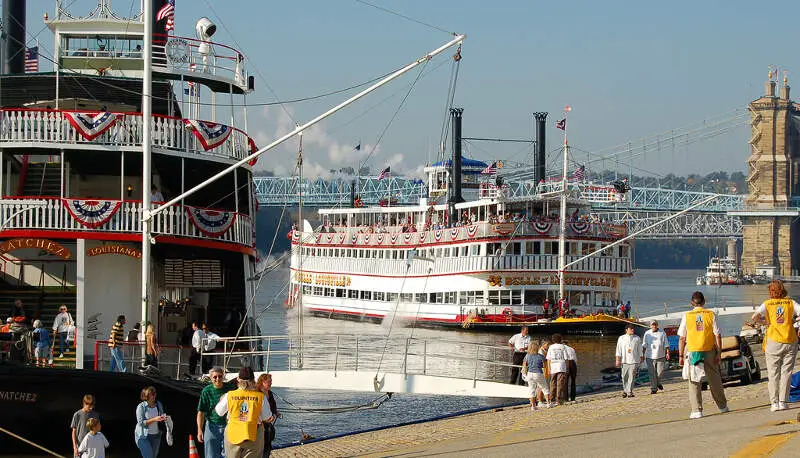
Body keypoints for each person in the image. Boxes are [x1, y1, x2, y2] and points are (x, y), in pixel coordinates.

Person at [750, 280, 800, 411]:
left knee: (773, 373)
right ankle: (783, 401)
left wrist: (765, 323)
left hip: (773, 340)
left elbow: (754, 317)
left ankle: (774, 403)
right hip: (789, 339)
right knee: (786, 372)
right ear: (783, 290)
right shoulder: (791, 303)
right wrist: (793, 320)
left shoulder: (767, 304)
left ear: (770, 291)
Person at [678, 291, 729, 419]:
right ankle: (722, 406)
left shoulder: (687, 315)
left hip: (693, 350)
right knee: (715, 379)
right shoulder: (711, 314)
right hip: (709, 350)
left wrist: (680, 355)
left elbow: (682, 338)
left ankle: (697, 410)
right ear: (704, 302)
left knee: (694, 380)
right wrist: (719, 352)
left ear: (691, 303)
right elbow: (717, 335)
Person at [215, 367, 273, 457]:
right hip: (254, 435)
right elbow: (267, 417)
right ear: (253, 380)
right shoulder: (261, 397)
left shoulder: (229, 395)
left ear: (238, 379)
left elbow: (219, 412)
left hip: (233, 435)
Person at [197, 367, 236, 458]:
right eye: (215, 377)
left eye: (220, 376)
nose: (218, 379)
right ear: (211, 378)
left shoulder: (231, 389)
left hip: (228, 426)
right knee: (210, 455)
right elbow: (201, 412)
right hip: (212, 426)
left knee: (228, 455)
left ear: (223, 377)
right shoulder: (206, 391)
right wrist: (199, 430)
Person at [135, 386, 169, 458]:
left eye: (154, 393)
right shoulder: (141, 407)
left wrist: (164, 418)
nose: (153, 395)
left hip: (156, 435)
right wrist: (155, 419)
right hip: (144, 436)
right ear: (146, 395)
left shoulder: (158, 404)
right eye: (151, 394)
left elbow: (161, 415)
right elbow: (141, 423)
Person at [615, 323, 642, 398]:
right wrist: (617, 360)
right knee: (624, 377)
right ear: (626, 330)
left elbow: (640, 349)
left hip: (634, 360)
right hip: (624, 360)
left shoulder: (637, 338)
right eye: (631, 329)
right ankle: (625, 390)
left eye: (633, 328)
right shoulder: (621, 338)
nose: (633, 330)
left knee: (632, 376)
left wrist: (641, 357)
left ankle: (629, 391)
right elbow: (618, 349)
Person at [642, 320, 669, 394]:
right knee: (651, 373)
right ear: (650, 326)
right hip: (649, 356)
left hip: (661, 355)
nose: (654, 326)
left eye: (655, 325)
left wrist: (667, 353)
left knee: (660, 373)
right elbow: (644, 345)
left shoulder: (662, 332)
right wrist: (642, 355)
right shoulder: (647, 333)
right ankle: (654, 388)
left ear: (657, 325)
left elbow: (666, 344)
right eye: (652, 325)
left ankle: (658, 383)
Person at [257, 373, 281, 457]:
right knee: (260, 446)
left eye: (271, 381)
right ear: (262, 382)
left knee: (267, 444)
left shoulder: (269, 393)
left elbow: (273, 405)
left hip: (268, 422)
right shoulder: (257, 393)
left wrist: (275, 412)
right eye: (269, 382)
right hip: (260, 424)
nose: (271, 383)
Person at [522, 342, 550, 410]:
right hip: (538, 373)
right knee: (544, 388)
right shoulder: (540, 356)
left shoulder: (527, 355)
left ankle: (533, 406)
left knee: (532, 390)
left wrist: (524, 373)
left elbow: (524, 365)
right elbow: (544, 365)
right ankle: (549, 403)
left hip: (530, 373)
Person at [546, 333, 568, 405]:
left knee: (552, 383)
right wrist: (567, 367)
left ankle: (551, 399)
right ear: (560, 339)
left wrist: (549, 368)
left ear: (553, 340)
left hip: (553, 366)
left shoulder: (551, 347)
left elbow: (548, 359)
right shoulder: (563, 347)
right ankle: (558, 399)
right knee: (560, 383)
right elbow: (566, 358)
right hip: (561, 366)